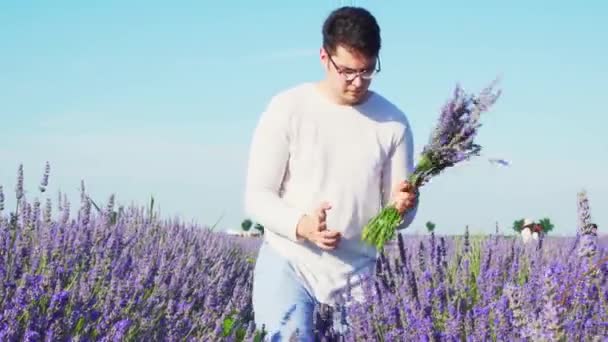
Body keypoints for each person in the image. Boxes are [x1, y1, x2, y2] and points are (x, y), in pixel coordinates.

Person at [244, 6, 419, 341]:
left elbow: (398, 215)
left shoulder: (393, 122)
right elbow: (257, 195)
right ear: (324, 57)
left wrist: (404, 207)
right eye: (347, 71)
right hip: (289, 262)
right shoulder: (288, 107)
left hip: (357, 277)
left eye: (367, 72)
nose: (357, 82)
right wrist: (303, 226)